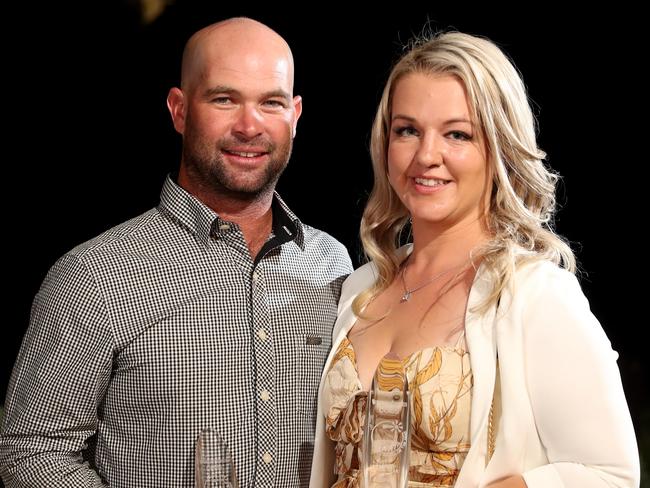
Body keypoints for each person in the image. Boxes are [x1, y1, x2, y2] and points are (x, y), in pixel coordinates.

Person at [0, 17, 352, 487]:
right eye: (224, 99)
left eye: (271, 102)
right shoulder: (93, 275)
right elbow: (33, 451)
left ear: (296, 115)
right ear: (179, 110)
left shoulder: (333, 264)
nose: (249, 126)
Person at [310, 31, 640, 488]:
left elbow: (609, 476)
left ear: (499, 148)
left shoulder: (536, 294)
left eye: (457, 134)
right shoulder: (359, 287)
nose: (427, 156)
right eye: (408, 130)